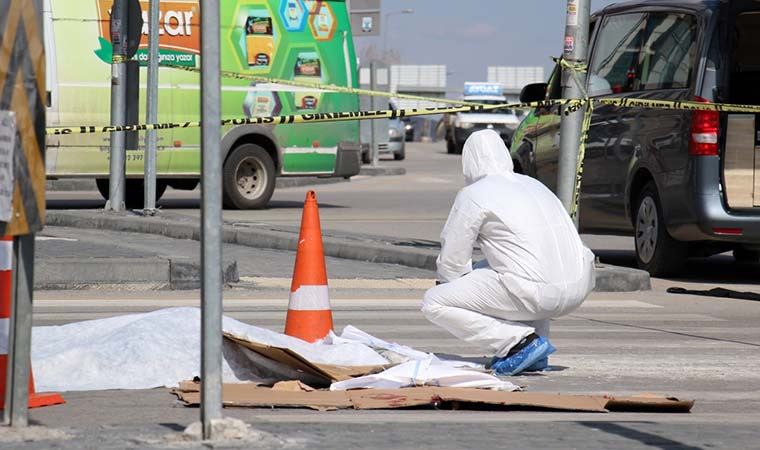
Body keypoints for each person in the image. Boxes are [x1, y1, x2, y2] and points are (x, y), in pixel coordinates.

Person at [421, 129, 596, 376]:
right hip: (578, 285)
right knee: (509, 269)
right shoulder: (534, 185)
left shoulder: (474, 194)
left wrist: (450, 285)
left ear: (468, 162)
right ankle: (535, 353)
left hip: (537, 291)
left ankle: (518, 343)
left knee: (434, 301)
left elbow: (453, 259)